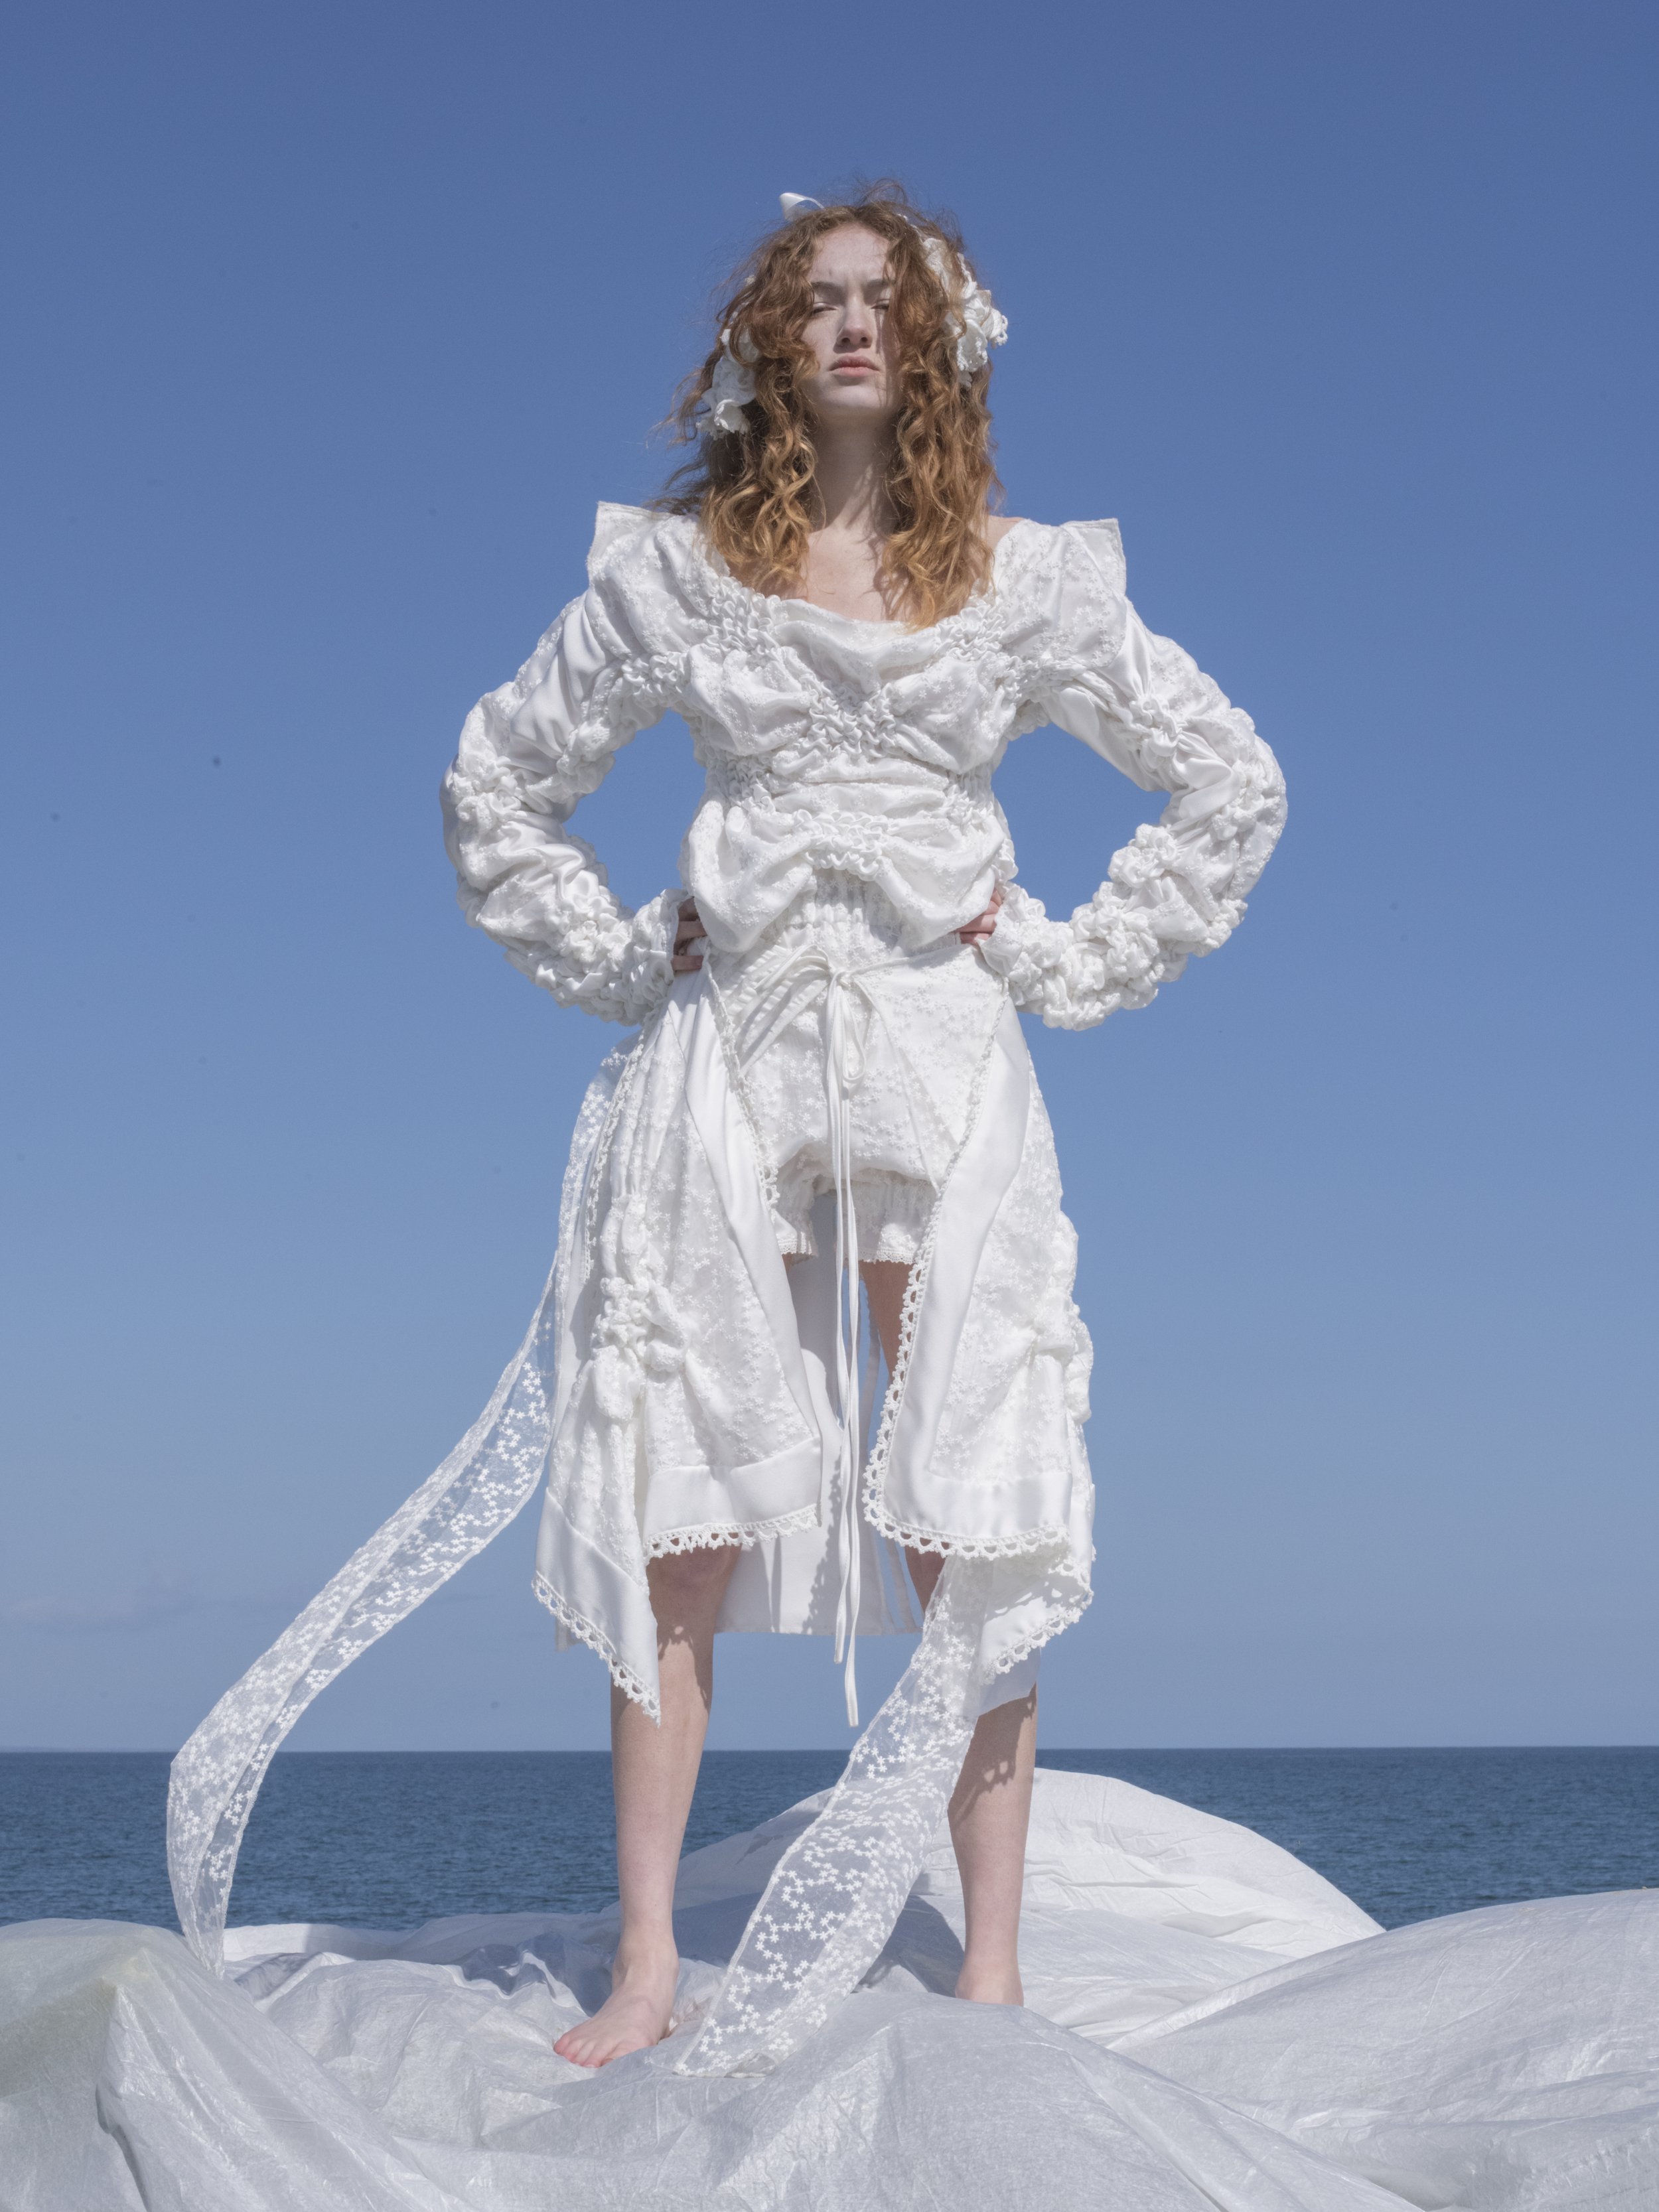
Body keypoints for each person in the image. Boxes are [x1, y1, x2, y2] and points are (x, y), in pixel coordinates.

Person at [165, 184, 1284, 2084]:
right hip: (728, 1065)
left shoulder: (1024, 584)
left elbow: (1227, 780)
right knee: (670, 1512)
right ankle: (645, 1967)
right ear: (771, 339)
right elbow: (496, 781)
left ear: (937, 343)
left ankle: (992, 1967)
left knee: (969, 1513)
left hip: (942, 1064)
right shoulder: (678, 578)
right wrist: (621, 953)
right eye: (819, 299)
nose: (853, 326)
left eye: (886, 302)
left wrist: (1064, 953)